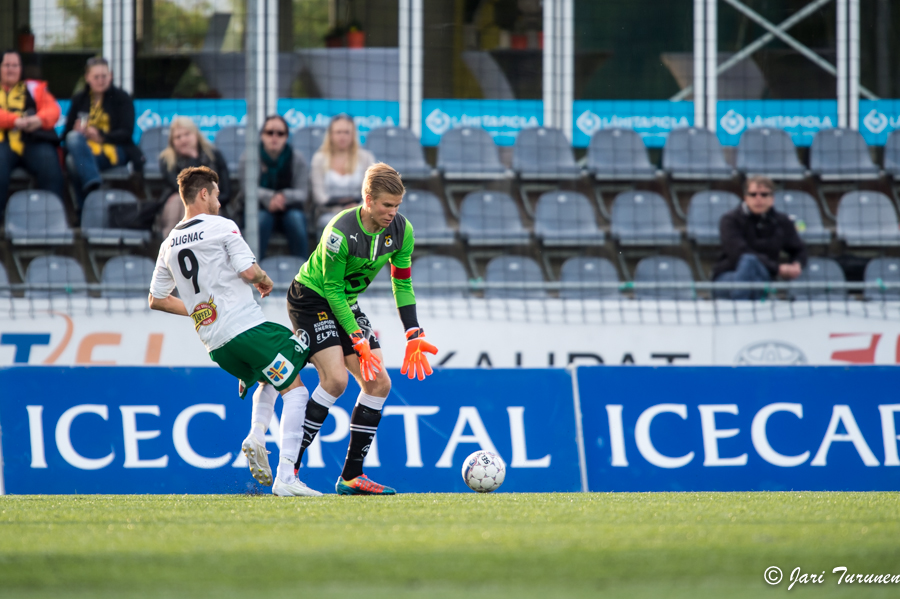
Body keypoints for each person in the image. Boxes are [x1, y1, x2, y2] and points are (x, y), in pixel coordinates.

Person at [148, 165, 321, 497]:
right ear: (203, 194)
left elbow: (156, 299)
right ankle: (286, 475)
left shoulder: (168, 244)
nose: (219, 202)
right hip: (246, 328)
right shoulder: (221, 226)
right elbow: (248, 270)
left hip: (216, 345)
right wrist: (265, 280)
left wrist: (200, 312)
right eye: (215, 194)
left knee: (275, 374)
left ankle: (257, 434)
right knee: (299, 375)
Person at [286, 162, 438, 496]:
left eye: (397, 206)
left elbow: (403, 283)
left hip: (344, 301)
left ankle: (352, 476)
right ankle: (289, 468)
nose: (392, 213)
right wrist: (357, 338)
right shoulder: (339, 232)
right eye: (386, 205)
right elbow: (333, 290)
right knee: (336, 380)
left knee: (379, 383)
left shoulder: (401, 230)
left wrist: (413, 332)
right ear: (367, 199)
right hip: (312, 298)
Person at [62, 57, 143, 210]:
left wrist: (101, 136)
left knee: (74, 163)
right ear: (87, 78)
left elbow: (126, 133)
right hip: (86, 149)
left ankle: (85, 207)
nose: (101, 80)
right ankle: (93, 184)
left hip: (115, 150)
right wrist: (78, 131)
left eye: (104, 76)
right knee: (73, 139)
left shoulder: (122, 98)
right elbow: (65, 135)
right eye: (96, 77)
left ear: (110, 76)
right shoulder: (79, 99)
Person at [713, 175, 807, 300]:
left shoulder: (781, 221)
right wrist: (777, 268)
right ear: (745, 197)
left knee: (756, 278)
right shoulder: (730, 220)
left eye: (764, 194)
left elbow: (799, 249)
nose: (758, 198)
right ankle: (743, 309)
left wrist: (797, 264)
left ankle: (743, 310)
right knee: (749, 261)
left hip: (763, 276)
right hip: (729, 277)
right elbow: (739, 254)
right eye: (753, 194)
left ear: (772, 199)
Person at [0, 49, 65, 214]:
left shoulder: (34, 87)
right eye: (7, 65)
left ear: (21, 68)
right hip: (2, 143)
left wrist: (38, 119)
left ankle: (52, 215)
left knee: (48, 158)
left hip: (32, 141)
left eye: (15, 65)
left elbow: (53, 110)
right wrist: (14, 120)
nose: (11, 69)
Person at [238, 115, 309, 259]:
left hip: (289, 209)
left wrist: (283, 197)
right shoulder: (249, 157)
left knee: (296, 220)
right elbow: (247, 189)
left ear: (287, 137)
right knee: (261, 220)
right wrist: (269, 198)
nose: (274, 137)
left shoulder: (297, 158)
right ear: (262, 135)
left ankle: (306, 274)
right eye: (270, 132)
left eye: (280, 133)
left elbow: (303, 193)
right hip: (259, 208)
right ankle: (253, 271)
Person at [157, 117, 230, 238]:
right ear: (172, 141)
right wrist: (192, 159)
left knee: (201, 203)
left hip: (212, 204)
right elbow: (184, 187)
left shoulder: (214, 155)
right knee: (180, 200)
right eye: (178, 137)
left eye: (186, 134)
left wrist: (194, 157)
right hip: (177, 207)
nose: (183, 140)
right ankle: (172, 247)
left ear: (196, 134)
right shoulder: (167, 160)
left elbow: (227, 192)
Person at [310, 114, 376, 211]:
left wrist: (359, 208)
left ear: (353, 134)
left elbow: (372, 191)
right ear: (331, 134)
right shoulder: (319, 158)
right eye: (338, 132)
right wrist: (340, 208)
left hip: (359, 211)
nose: (342, 136)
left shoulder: (366, 158)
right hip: (328, 212)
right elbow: (319, 196)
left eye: (346, 132)